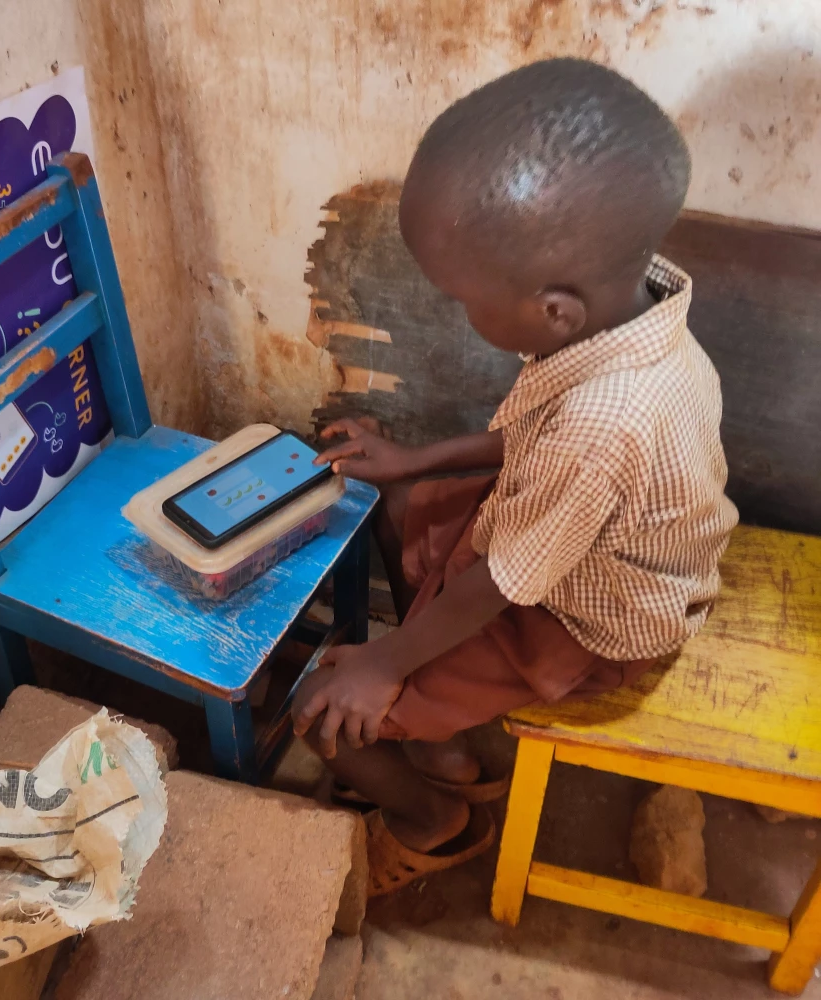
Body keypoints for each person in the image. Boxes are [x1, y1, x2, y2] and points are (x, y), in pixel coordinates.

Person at [292, 58, 739, 897]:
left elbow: (501, 583)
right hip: (572, 547)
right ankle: (444, 747)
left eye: (462, 298)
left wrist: (384, 661)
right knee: (401, 507)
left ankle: (437, 823)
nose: (459, 311)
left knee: (324, 709)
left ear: (554, 309)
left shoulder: (608, 420)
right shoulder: (634, 319)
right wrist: (413, 461)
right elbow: (538, 447)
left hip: (590, 621)